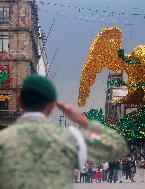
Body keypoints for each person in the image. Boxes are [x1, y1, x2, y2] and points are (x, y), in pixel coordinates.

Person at [0, 75, 128, 189]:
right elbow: (117, 148)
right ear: (52, 105)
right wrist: (83, 122)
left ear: (18, 101)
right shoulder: (71, 138)